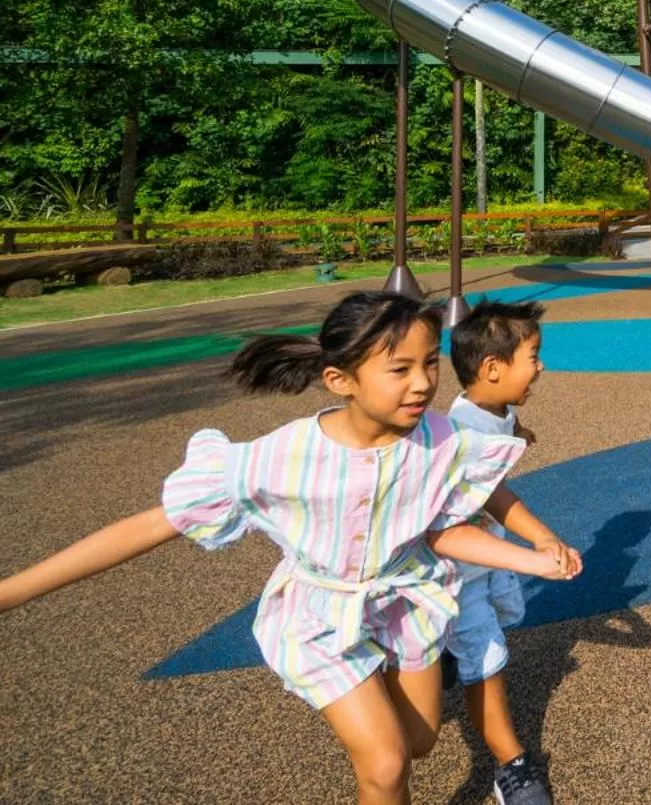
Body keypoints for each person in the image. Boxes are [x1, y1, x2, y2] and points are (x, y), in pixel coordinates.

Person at [0, 291, 582, 805]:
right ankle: (360, 694)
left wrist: (532, 555)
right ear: (340, 380)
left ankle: (375, 685)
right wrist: (12, 591)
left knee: (419, 742)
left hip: (408, 602)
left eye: (429, 363)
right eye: (399, 369)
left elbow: (441, 529)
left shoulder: (441, 439)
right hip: (321, 616)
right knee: (385, 764)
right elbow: (147, 527)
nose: (424, 383)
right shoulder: (279, 459)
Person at [444, 301, 562, 805]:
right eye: (533, 356)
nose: (541, 367)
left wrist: (520, 433)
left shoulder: (494, 407)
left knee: (500, 617)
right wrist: (542, 537)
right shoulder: (462, 434)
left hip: (484, 553)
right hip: (456, 565)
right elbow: (493, 494)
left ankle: (448, 652)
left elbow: (507, 425)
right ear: (493, 369)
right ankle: (511, 764)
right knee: (486, 657)